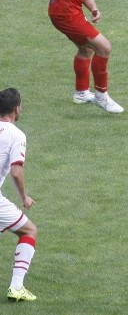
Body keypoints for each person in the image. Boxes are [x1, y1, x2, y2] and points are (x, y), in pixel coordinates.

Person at [0, 88, 39, 302]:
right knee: (29, 231)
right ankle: (16, 287)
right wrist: (24, 197)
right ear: (17, 109)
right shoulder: (16, 135)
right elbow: (16, 170)